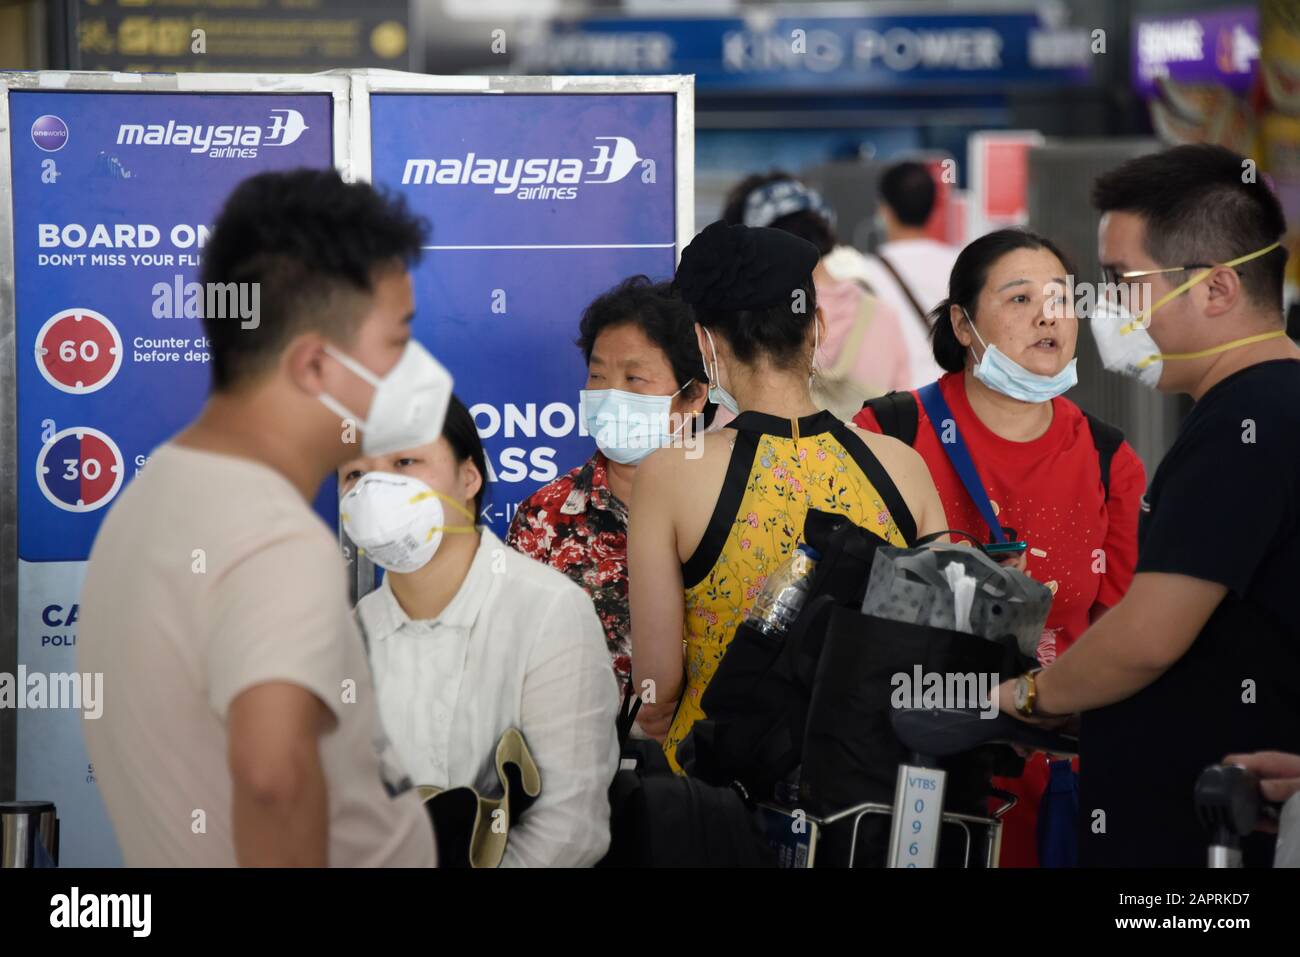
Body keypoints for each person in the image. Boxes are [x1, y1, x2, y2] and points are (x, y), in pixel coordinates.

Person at [78, 168, 439, 866]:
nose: (415, 368)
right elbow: (273, 777)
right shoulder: (273, 537)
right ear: (314, 366)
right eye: (398, 342)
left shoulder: (154, 496)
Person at [998, 143, 1300, 868]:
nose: (1104, 308)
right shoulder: (1262, 406)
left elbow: (1148, 636)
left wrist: (1021, 698)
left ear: (1218, 289)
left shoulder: (1246, 421)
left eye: (1123, 282)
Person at [854, 228, 1146, 866]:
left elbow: (1119, 636)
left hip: (1050, 788)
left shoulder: (1109, 459)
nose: (1049, 317)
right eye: (1019, 300)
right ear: (962, 324)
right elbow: (852, 604)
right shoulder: (889, 431)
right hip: (905, 769)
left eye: (1062, 299)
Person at [629, 221, 948, 771]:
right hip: (868, 798)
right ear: (817, 327)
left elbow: (656, 693)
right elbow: (944, 637)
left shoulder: (668, 474)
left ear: (705, 342)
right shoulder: (903, 465)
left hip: (719, 799)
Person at [341, 396, 621, 867]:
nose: (377, 488)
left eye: (405, 461)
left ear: (469, 477)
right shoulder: (349, 637)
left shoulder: (549, 611)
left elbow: (570, 828)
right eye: (354, 475)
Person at [507, 276, 711, 686]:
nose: (610, 394)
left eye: (634, 379)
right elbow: (510, 659)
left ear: (694, 396)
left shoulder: (729, 504)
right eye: (598, 377)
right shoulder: (543, 517)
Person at [721, 171, 913, 418]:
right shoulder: (881, 316)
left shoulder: (749, 318)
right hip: (863, 455)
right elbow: (904, 417)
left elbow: (729, 421)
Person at [858, 159, 960, 387]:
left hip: (899, 406)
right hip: (955, 398)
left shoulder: (864, 273)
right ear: (935, 207)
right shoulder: (963, 262)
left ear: (884, 210)